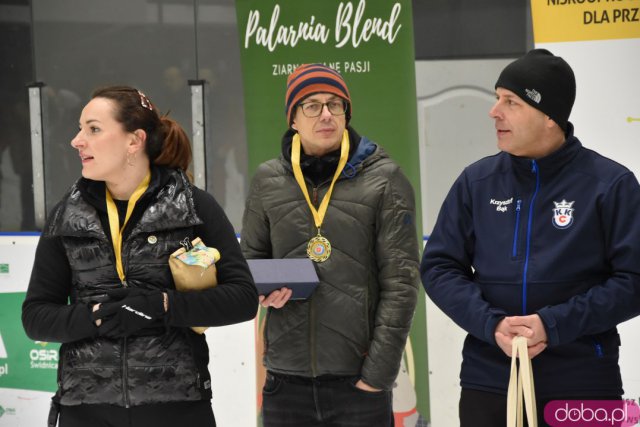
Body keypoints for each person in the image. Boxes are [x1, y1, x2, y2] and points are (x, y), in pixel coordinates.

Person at [420, 49, 640, 426]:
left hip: (584, 382)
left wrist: (553, 325)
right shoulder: (476, 182)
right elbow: (439, 266)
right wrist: (492, 324)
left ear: (550, 116)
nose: (494, 112)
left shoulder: (610, 185)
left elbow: (634, 281)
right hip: (488, 381)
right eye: (496, 98)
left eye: (511, 102)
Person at [21, 85, 259, 427]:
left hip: (177, 407)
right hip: (85, 409)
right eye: (80, 128)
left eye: (93, 129)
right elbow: (36, 316)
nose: (77, 140)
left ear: (134, 141)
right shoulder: (66, 216)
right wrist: (97, 318)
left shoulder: (194, 207)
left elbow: (243, 298)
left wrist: (162, 306)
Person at [240, 63, 420, 427]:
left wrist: (376, 379)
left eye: (335, 104)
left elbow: (401, 285)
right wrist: (261, 291)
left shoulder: (385, 180)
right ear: (293, 118)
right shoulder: (267, 180)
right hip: (285, 383)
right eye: (312, 105)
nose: (325, 114)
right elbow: (248, 262)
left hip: (357, 383)